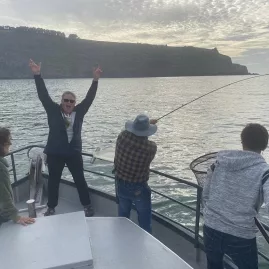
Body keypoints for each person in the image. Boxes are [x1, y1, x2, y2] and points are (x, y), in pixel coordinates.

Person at [29, 59, 102, 217]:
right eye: (66, 100)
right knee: (54, 182)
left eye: (71, 101)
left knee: (80, 180)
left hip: (73, 152)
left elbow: (89, 98)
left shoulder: (79, 111)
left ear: (74, 103)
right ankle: (51, 208)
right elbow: (43, 95)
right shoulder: (53, 110)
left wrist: (95, 80)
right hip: (55, 153)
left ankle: (87, 205)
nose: (69, 103)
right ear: (61, 102)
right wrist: (37, 75)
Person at [203, 123, 269, 269]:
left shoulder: (218, 163)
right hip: (241, 234)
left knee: (213, 265)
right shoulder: (264, 172)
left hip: (211, 227)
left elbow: (206, 194)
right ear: (264, 146)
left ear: (242, 141)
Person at [114, 114, 157, 233]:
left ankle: (121, 239)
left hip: (121, 184)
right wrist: (148, 127)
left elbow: (130, 133)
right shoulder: (151, 148)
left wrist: (145, 127)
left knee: (123, 217)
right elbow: (143, 140)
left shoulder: (122, 137)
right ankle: (145, 244)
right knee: (145, 224)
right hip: (139, 188)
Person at [0, 127, 35, 226]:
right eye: (8, 142)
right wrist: (15, 216)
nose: (10, 144)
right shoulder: (1, 169)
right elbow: (3, 195)